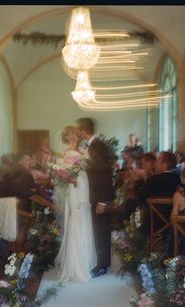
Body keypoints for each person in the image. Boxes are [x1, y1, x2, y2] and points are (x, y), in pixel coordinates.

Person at [55, 125, 97, 282]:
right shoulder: (66, 153)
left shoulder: (83, 148)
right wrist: (67, 176)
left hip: (83, 187)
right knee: (75, 219)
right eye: (70, 134)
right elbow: (62, 173)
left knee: (83, 219)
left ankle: (83, 261)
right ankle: (73, 264)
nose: (73, 136)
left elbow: (87, 168)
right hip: (73, 188)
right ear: (66, 137)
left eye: (74, 133)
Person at [76, 118, 115, 278]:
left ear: (83, 130)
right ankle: (101, 262)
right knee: (98, 230)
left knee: (102, 230)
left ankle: (103, 265)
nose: (77, 132)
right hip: (96, 193)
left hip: (101, 194)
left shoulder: (98, 145)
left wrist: (85, 162)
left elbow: (105, 169)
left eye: (78, 129)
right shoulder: (93, 145)